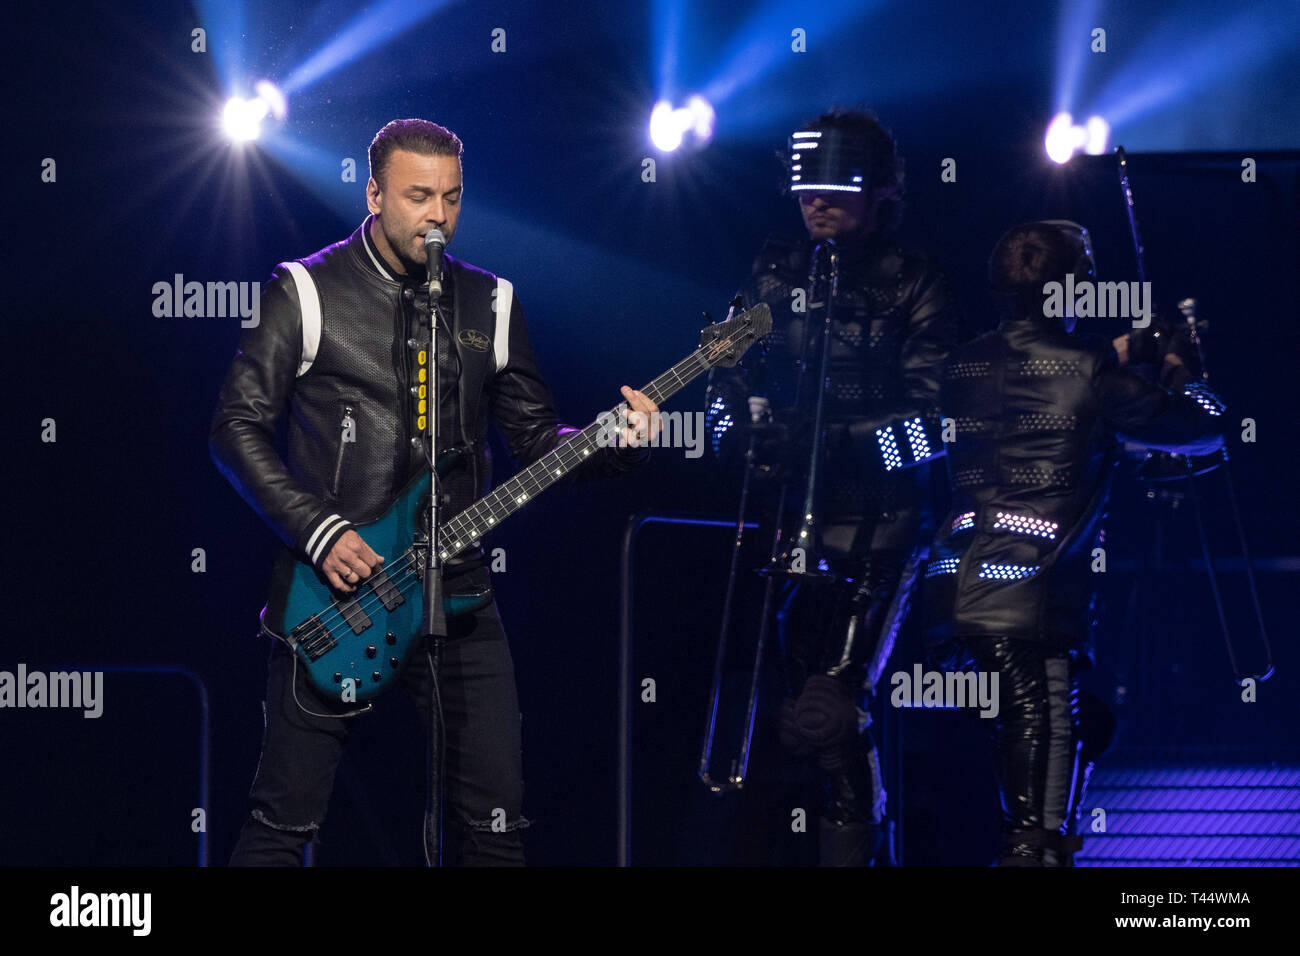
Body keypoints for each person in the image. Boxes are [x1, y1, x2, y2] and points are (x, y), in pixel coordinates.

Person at [210, 118, 657, 865]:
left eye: (451, 197)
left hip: (459, 591)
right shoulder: (307, 290)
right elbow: (235, 429)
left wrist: (612, 446)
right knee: (284, 828)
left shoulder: (491, 302)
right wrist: (318, 530)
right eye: (418, 196)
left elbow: (538, 441)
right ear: (375, 191)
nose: (437, 216)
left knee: (496, 830)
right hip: (335, 591)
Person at [922, 220, 1225, 866]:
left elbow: (1039, 375)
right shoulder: (1088, 372)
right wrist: (1182, 367)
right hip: (1032, 599)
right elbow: (1204, 431)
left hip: (958, 591)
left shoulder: (962, 364)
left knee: (1080, 727)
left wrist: (1127, 348)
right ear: (1074, 290)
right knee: (1041, 806)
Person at [705, 108, 961, 865]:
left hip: (879, 530)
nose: (816, 202)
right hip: (788, 525)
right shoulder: (774, 270)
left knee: (830, 710)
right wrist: (737, 423)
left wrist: (830, 442)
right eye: (805, 186)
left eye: (836, 185)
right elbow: (724, 371)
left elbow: (933, 426)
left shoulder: (917, 282)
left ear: (880, 190)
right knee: (799, 726)